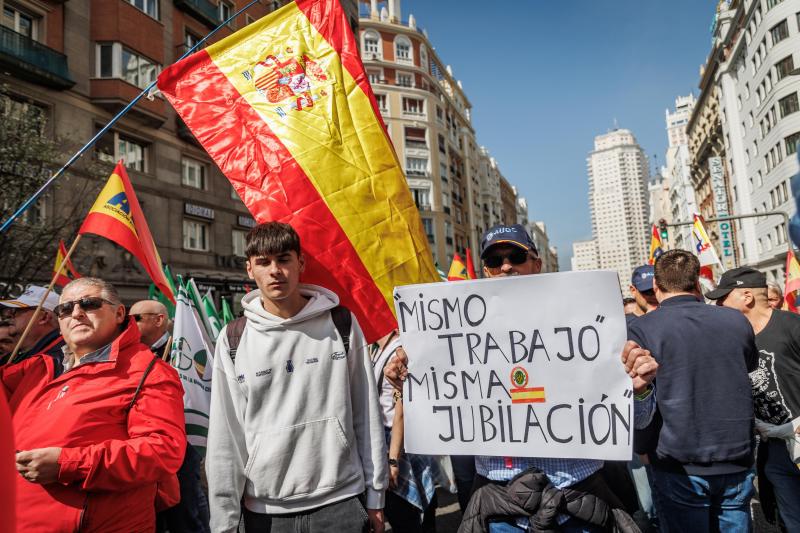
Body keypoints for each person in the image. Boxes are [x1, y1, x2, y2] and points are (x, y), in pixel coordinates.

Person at [386, 224, 659, 532]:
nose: (506, 266)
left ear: (537, 265)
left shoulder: (586, 327)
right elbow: (440, 422)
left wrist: (639, 390)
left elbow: (636, 422)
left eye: (516, 256)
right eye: (495, 261)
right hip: (502, 516)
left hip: (578, 510)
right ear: (486, 272)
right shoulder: (461, 340)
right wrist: (411, 386)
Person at [206, 221, 387, 533]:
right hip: (266, 512)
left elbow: (366, 414)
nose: (275, 271)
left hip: (342, 501)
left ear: (300, 263)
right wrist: (225, 521)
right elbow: (226, 436)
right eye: (263, 262)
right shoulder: (233, 339)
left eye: (283, 259)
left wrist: (376, 496)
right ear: (250, 269)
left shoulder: (341, 323)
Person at [2, 277, 186, 531]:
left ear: (119, 313)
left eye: (89, 304)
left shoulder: (149, 371)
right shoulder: (38, 367)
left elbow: (161, 452)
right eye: (65, 309)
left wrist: (66, 464)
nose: (76, 313)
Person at [628, 251, 758, 532]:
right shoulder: (736, 321)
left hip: (678, 464)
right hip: (735, 456)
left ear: (657, 289)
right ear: (697, 284)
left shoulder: (642, 329)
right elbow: (749, 366)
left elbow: (639, 393)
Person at [706, 267, 800, 531]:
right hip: (775, 451)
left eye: (724, 296)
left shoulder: (791, 326)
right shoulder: (733, 339)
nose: (718, 304)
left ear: (746, 296)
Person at [130, 299, 210, 533]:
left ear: (159, 320)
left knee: (185, 511)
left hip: (182, 446)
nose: (129, 324)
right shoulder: (131, 354)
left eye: (136, 318)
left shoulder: (182, 350)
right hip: (147, 445)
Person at [371, 330, 438, 532]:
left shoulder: (397, 351)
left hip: (399, 445)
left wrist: (392, 460)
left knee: (406, 515)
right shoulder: (377, 349)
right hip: (390, 442)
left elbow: (401, 411)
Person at [0, 285, 64, 364]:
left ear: (44, 317)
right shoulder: (12, 357)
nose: (9, 315)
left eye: (16, 310)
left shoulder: (56, 360)